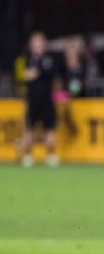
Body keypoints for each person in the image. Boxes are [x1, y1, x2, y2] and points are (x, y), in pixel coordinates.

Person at [22, 31, 59, 167]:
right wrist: (31, 74)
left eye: (40, 43)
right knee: (28, 128)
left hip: (47, 101)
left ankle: (50, 155)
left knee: (49, 129)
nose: (38, 46)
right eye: (35, 43)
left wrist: (34, 73)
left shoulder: (49, 60)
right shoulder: (27, 59)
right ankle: (27, 156)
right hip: (32, 100)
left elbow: (38, 74)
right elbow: (25, 75)